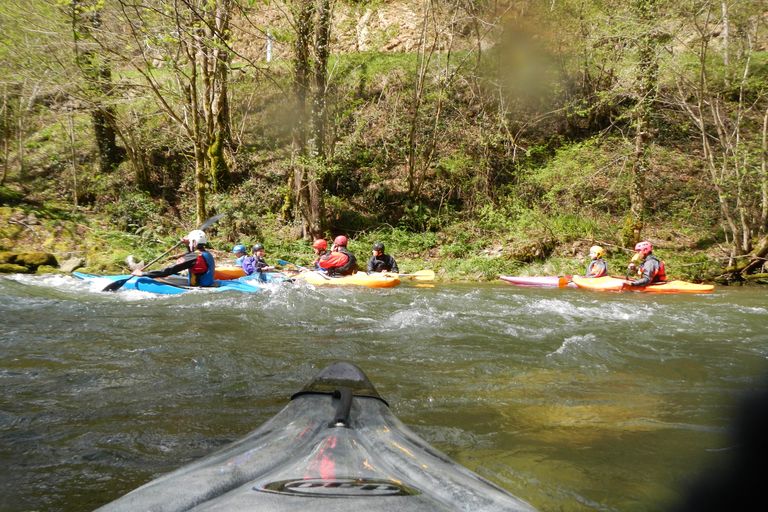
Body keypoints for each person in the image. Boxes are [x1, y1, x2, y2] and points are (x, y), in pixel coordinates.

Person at [131, 229, 215, 287]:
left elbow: (170, 270)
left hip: (199, 288)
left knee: (167, 275)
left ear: (194, 242)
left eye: (189, 242)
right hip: (208, 285)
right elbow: (192, 256)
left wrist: (144, 274)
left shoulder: (194, 257)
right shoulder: (206, 253)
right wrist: (187, 244)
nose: (188, 243)